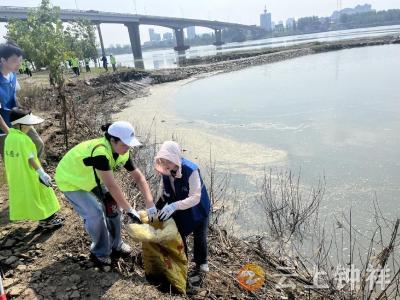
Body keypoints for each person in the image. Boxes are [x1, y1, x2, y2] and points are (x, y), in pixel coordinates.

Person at [55, 121, 157, 266]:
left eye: (129, 144)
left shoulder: (123, 151)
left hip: (92, 178)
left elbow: (139, 177)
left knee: (113, 207)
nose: (127, 148)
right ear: (112, 140)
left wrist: (150, 203)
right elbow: (111, 185)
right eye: (124, 144)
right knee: (95, 214)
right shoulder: (100, 153)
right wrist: (130, 210)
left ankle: (116, 243)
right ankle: (100, 252)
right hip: (71, 180)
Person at [154, 141, 211, 276]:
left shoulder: (191, 170)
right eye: (162, 161)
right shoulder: (165, 170)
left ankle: (201, 262)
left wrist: (174, 205)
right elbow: (164, 192)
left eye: (168, 161)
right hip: (179, 206)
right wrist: (156, 208)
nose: (165, 164)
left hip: (198, 207)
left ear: (175, 158)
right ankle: (182, 260)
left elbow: (195, 197)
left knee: (200, 235)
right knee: (179, 232)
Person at [4, 108, 64, 228]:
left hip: (18, 176)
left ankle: (43, 220)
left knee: (32, 198)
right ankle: (48, 221)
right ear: (21, 124)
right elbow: (31, 159)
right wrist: (42, 173)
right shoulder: (24, 139)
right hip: (30, 174)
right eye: (28, 124)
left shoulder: (9, 137)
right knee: (43, 195)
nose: (31, 126)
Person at [0, 43, 44, 160]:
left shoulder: (12, 75)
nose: (19, 63)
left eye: (20, 60)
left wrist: (23, 112)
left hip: (17, 118)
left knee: (37, 143)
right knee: (13, 158)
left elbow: (13, 96)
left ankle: (35, 173)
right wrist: (8, 132)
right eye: (15, 60)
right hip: (3, 126)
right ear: (3, 60)